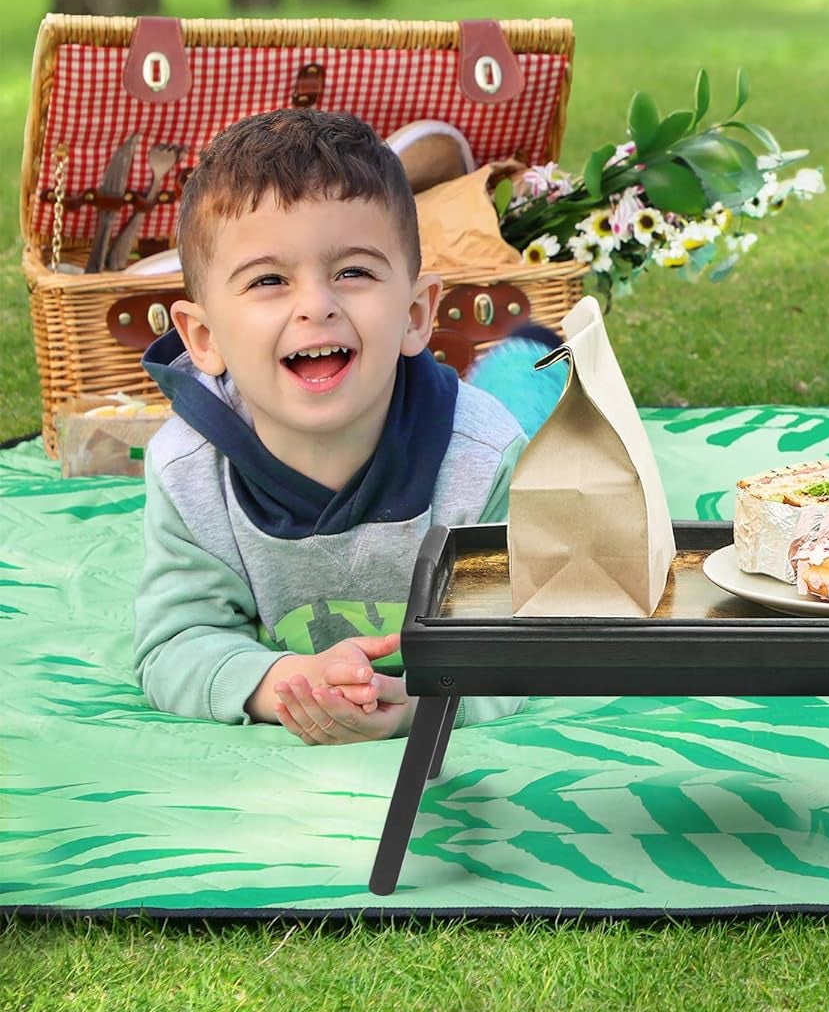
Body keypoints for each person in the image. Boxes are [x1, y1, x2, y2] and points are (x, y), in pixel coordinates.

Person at [134, 108, 551, 744]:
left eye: (352, 272)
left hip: (507, 418)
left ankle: (536, 359)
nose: (317, 305)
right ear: (203, 338)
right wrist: (286, 683)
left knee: (554, 410)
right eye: (269, 280)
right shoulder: (187, 472)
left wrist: (422, 704)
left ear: (416, 314)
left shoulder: (486, 458)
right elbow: (176, 642)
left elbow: (522, 641)